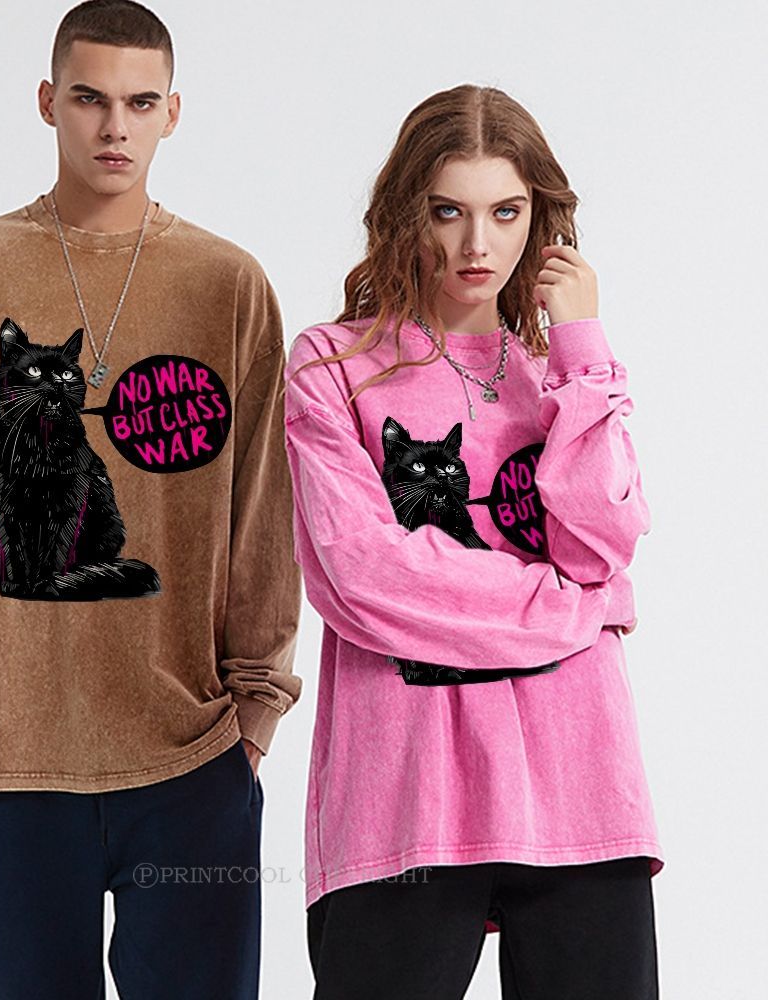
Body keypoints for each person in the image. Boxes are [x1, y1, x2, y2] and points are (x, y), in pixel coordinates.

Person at [0, 2, 301, 997]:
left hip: (193, 757)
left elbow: (263, 516)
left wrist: (256, 712)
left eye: (140, 103)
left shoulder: (228, 285)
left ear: (173, 113)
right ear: (47, 101)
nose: (114, 127)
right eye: (91, 99)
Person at [282, 83, 664, 999]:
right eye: (448, 211)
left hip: (579, 790)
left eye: (506, 212)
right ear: (405, 213)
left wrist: (581, 344)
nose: (477, 246)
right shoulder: (334, 366)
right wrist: (575, 610)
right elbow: (367, 577)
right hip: (406, 802)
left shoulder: (558, 373)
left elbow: (602, 543)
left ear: (541, 218)